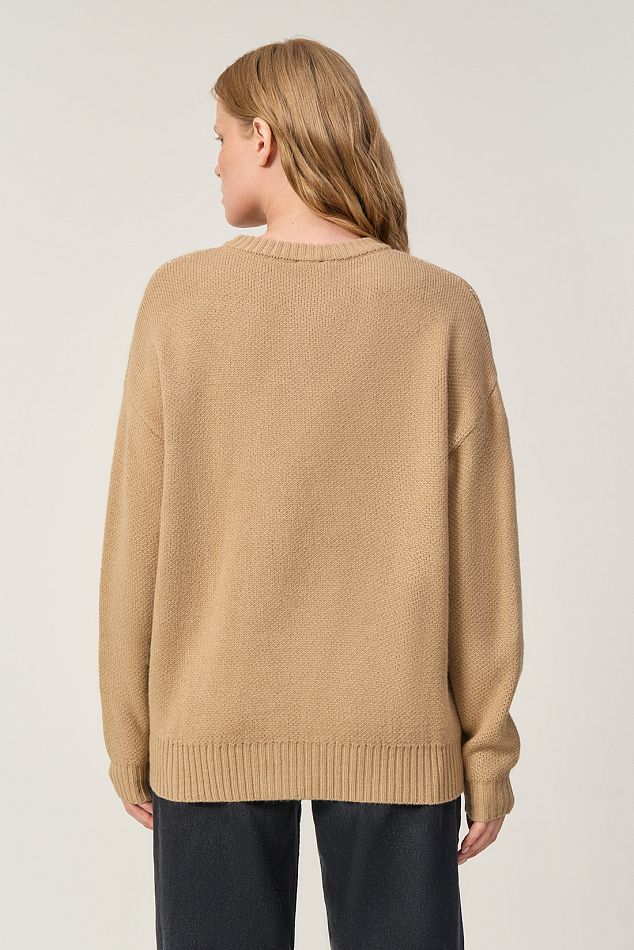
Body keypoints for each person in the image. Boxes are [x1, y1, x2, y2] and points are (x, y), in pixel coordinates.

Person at [98, 36, 524, 950]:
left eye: (220, 137)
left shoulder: (179, 300)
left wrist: (128, 734)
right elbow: (483, 556)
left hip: (210, 723)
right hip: (397, 729)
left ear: (264, 137)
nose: (215, 161)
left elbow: (135, 539)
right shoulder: (440, 306)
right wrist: (486, 748)